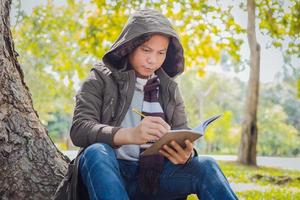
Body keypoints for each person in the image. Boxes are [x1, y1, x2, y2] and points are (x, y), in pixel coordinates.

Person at [70, 9, 238, 200]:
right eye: (146, 50)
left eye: (161, 53)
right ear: (129, 46)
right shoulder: (99, 78)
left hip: (156, 178)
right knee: (96, 151)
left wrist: (187, 155)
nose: (153, 60)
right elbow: (79, 129)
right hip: (109, 173)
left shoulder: (169, 89)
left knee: (207, 165)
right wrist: (130, 134)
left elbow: (182, 132)